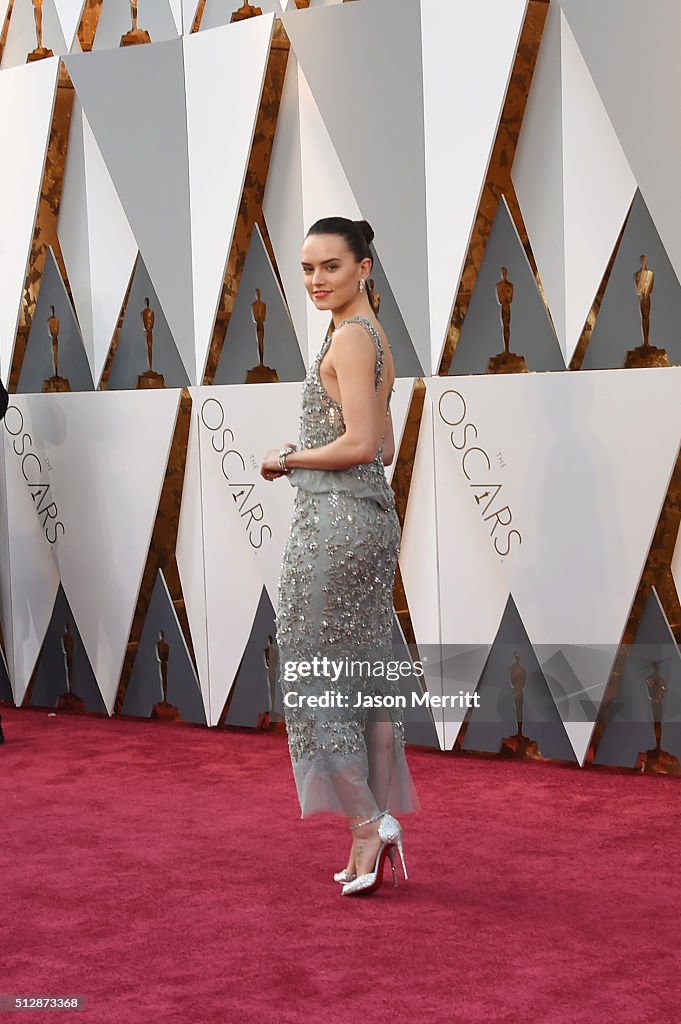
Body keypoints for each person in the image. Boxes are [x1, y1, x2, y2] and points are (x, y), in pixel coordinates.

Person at [261, 217, 419, 897]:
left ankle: (366, 823)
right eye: (308, 268)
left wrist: (286, 457)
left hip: (334, 525)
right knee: (362, 672)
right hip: (366, 520)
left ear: (364, 268)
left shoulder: (351, 339)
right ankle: (368, 831)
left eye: (330, 266)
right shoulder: (372, 335)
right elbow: (380, 444)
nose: (316, 280)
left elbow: (360, 444)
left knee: (317, 670)